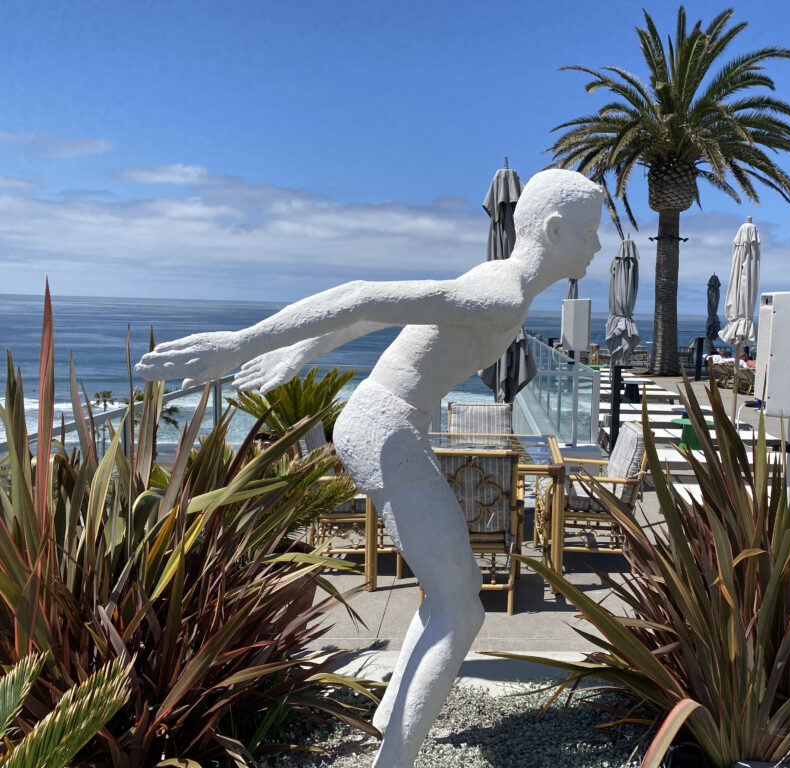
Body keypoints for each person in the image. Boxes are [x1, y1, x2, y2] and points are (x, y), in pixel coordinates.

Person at [134, 169, 606, 768]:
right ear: (555, 228)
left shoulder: (499, 285)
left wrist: (297, 351)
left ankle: (390, 723)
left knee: (448, 597)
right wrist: (242, 344)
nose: (596, 246)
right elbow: (361, 294)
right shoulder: (503, 293)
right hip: (386, 426)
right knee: (461, 611)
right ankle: (395, 759)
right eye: (589, 231)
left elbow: (378, 318)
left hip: (385, 423)